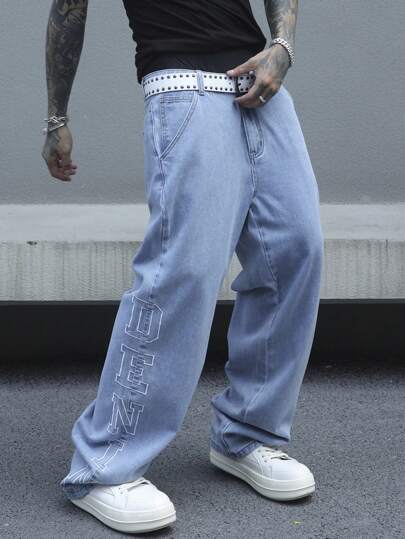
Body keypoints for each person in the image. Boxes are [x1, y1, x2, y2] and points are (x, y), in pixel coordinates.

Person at [42, 0, 324, 534]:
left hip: (261, 83)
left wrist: (282, 46)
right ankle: (105, 464)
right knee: (182, 271)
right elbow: (68, 10)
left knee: (296, 252)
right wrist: (57, 118)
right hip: (182, 87)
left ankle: (248, 433)